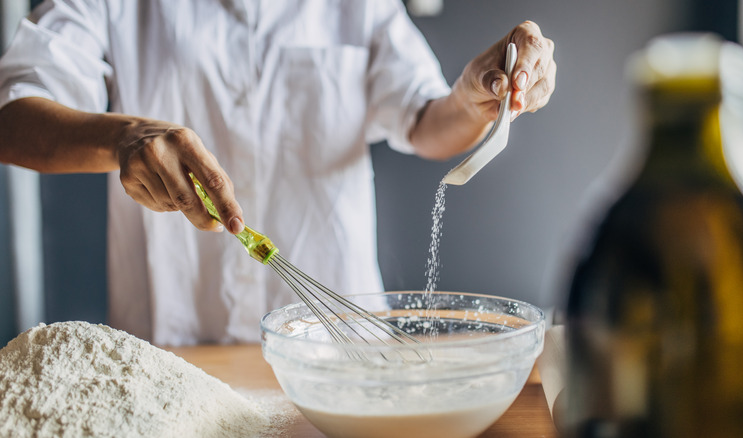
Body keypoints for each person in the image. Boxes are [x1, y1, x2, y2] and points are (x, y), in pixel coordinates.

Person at [0, 0, 556, 346]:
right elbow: (12, 116)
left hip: (341, 345)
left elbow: (426, 122)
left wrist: (474, 96)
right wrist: (123, 137)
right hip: (173, 345)